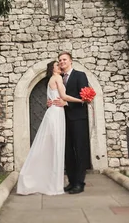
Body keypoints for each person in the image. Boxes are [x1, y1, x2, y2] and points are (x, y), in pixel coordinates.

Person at [16, 60, 84, 195]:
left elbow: (51, 99)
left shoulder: (51, 80)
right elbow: (63, 96)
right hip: (57, 113)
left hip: (53, 111)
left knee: (50, 146)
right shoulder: (58, 77)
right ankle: (52, 183)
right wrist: (81, 100)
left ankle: (48, 180)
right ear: (53, 69)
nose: (60, 66)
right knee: (55, 146)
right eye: (57, 65)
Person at [50, 51, 91, 195]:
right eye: (60, 60)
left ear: (71, 61)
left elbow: (86, 98)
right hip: (62, 118)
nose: (62, 62)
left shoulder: (80, 75)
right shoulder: (59, 78)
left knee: (79, 150)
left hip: (78, 118)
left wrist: (66, 103)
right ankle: (72, 181)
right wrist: (52, 102)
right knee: (67, 151)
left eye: (64, 59)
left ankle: (80, 183)